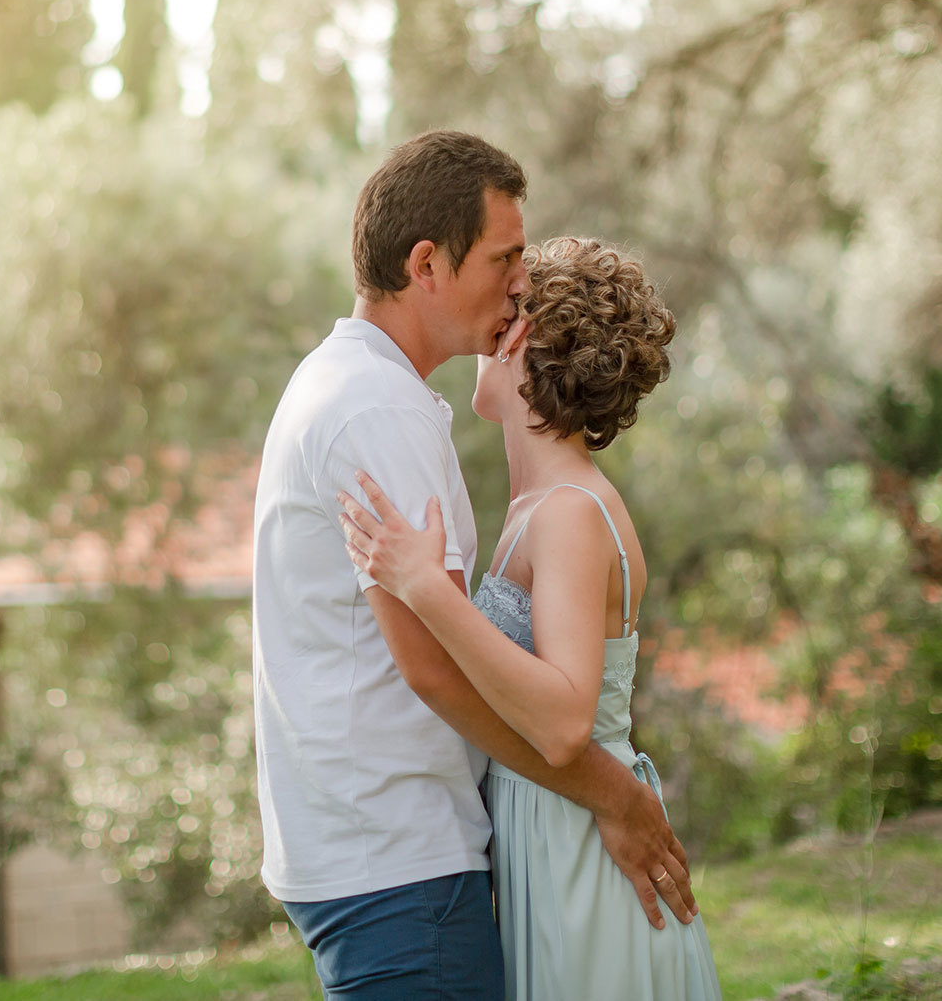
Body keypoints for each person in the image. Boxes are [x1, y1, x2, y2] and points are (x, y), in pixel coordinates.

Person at [252, 131, 696, 1001]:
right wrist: (614, 795)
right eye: (503, 258)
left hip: (407, 849)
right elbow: (436, 668)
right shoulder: (378, 409)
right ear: (426, 263)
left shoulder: (360, 389)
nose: (518, 283)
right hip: (398, 854)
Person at [339, 235, 722, 1000]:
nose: (489, 325)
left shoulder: (571, 510)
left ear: (527, 337)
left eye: (510, 306)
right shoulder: (538, 506)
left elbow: (565, 720)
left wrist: (425, 587)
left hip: (582, 848)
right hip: (547, 829)